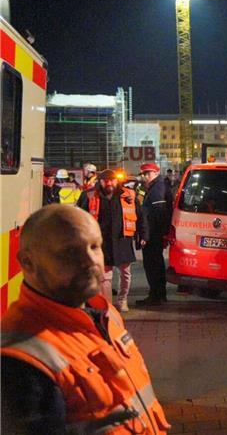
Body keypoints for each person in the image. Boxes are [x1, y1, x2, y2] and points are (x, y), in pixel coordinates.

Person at [0, 205, 169, 434]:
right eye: (70, 252)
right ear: (27, 262)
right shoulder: (19, 362)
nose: (90, 260)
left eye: (95, 246)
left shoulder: (106, 315)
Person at [77, 169, 148, 311]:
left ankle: (123, 300)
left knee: (126, 273)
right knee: (105, 276)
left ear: (117, 181)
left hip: (123, 240)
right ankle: (107, 305)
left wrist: (144, 235)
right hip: (102, 242)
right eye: (105, 180)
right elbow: (79, 217)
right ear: (100, 181)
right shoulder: (89, 195)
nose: (109, 183)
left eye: (112, 180)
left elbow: (140, 216)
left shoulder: (128, 195)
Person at [137, 163, 173, 306]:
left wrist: (151, 234)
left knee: (153, 265)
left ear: (156, 173)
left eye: (148, 173)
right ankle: (159, 294)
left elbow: (158, 212)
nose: (145, 176)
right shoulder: (156, 186)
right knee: (156, 264)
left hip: (153, 234)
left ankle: (155, 295)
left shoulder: (157, 187)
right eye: (144, 174)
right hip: (155, 232)